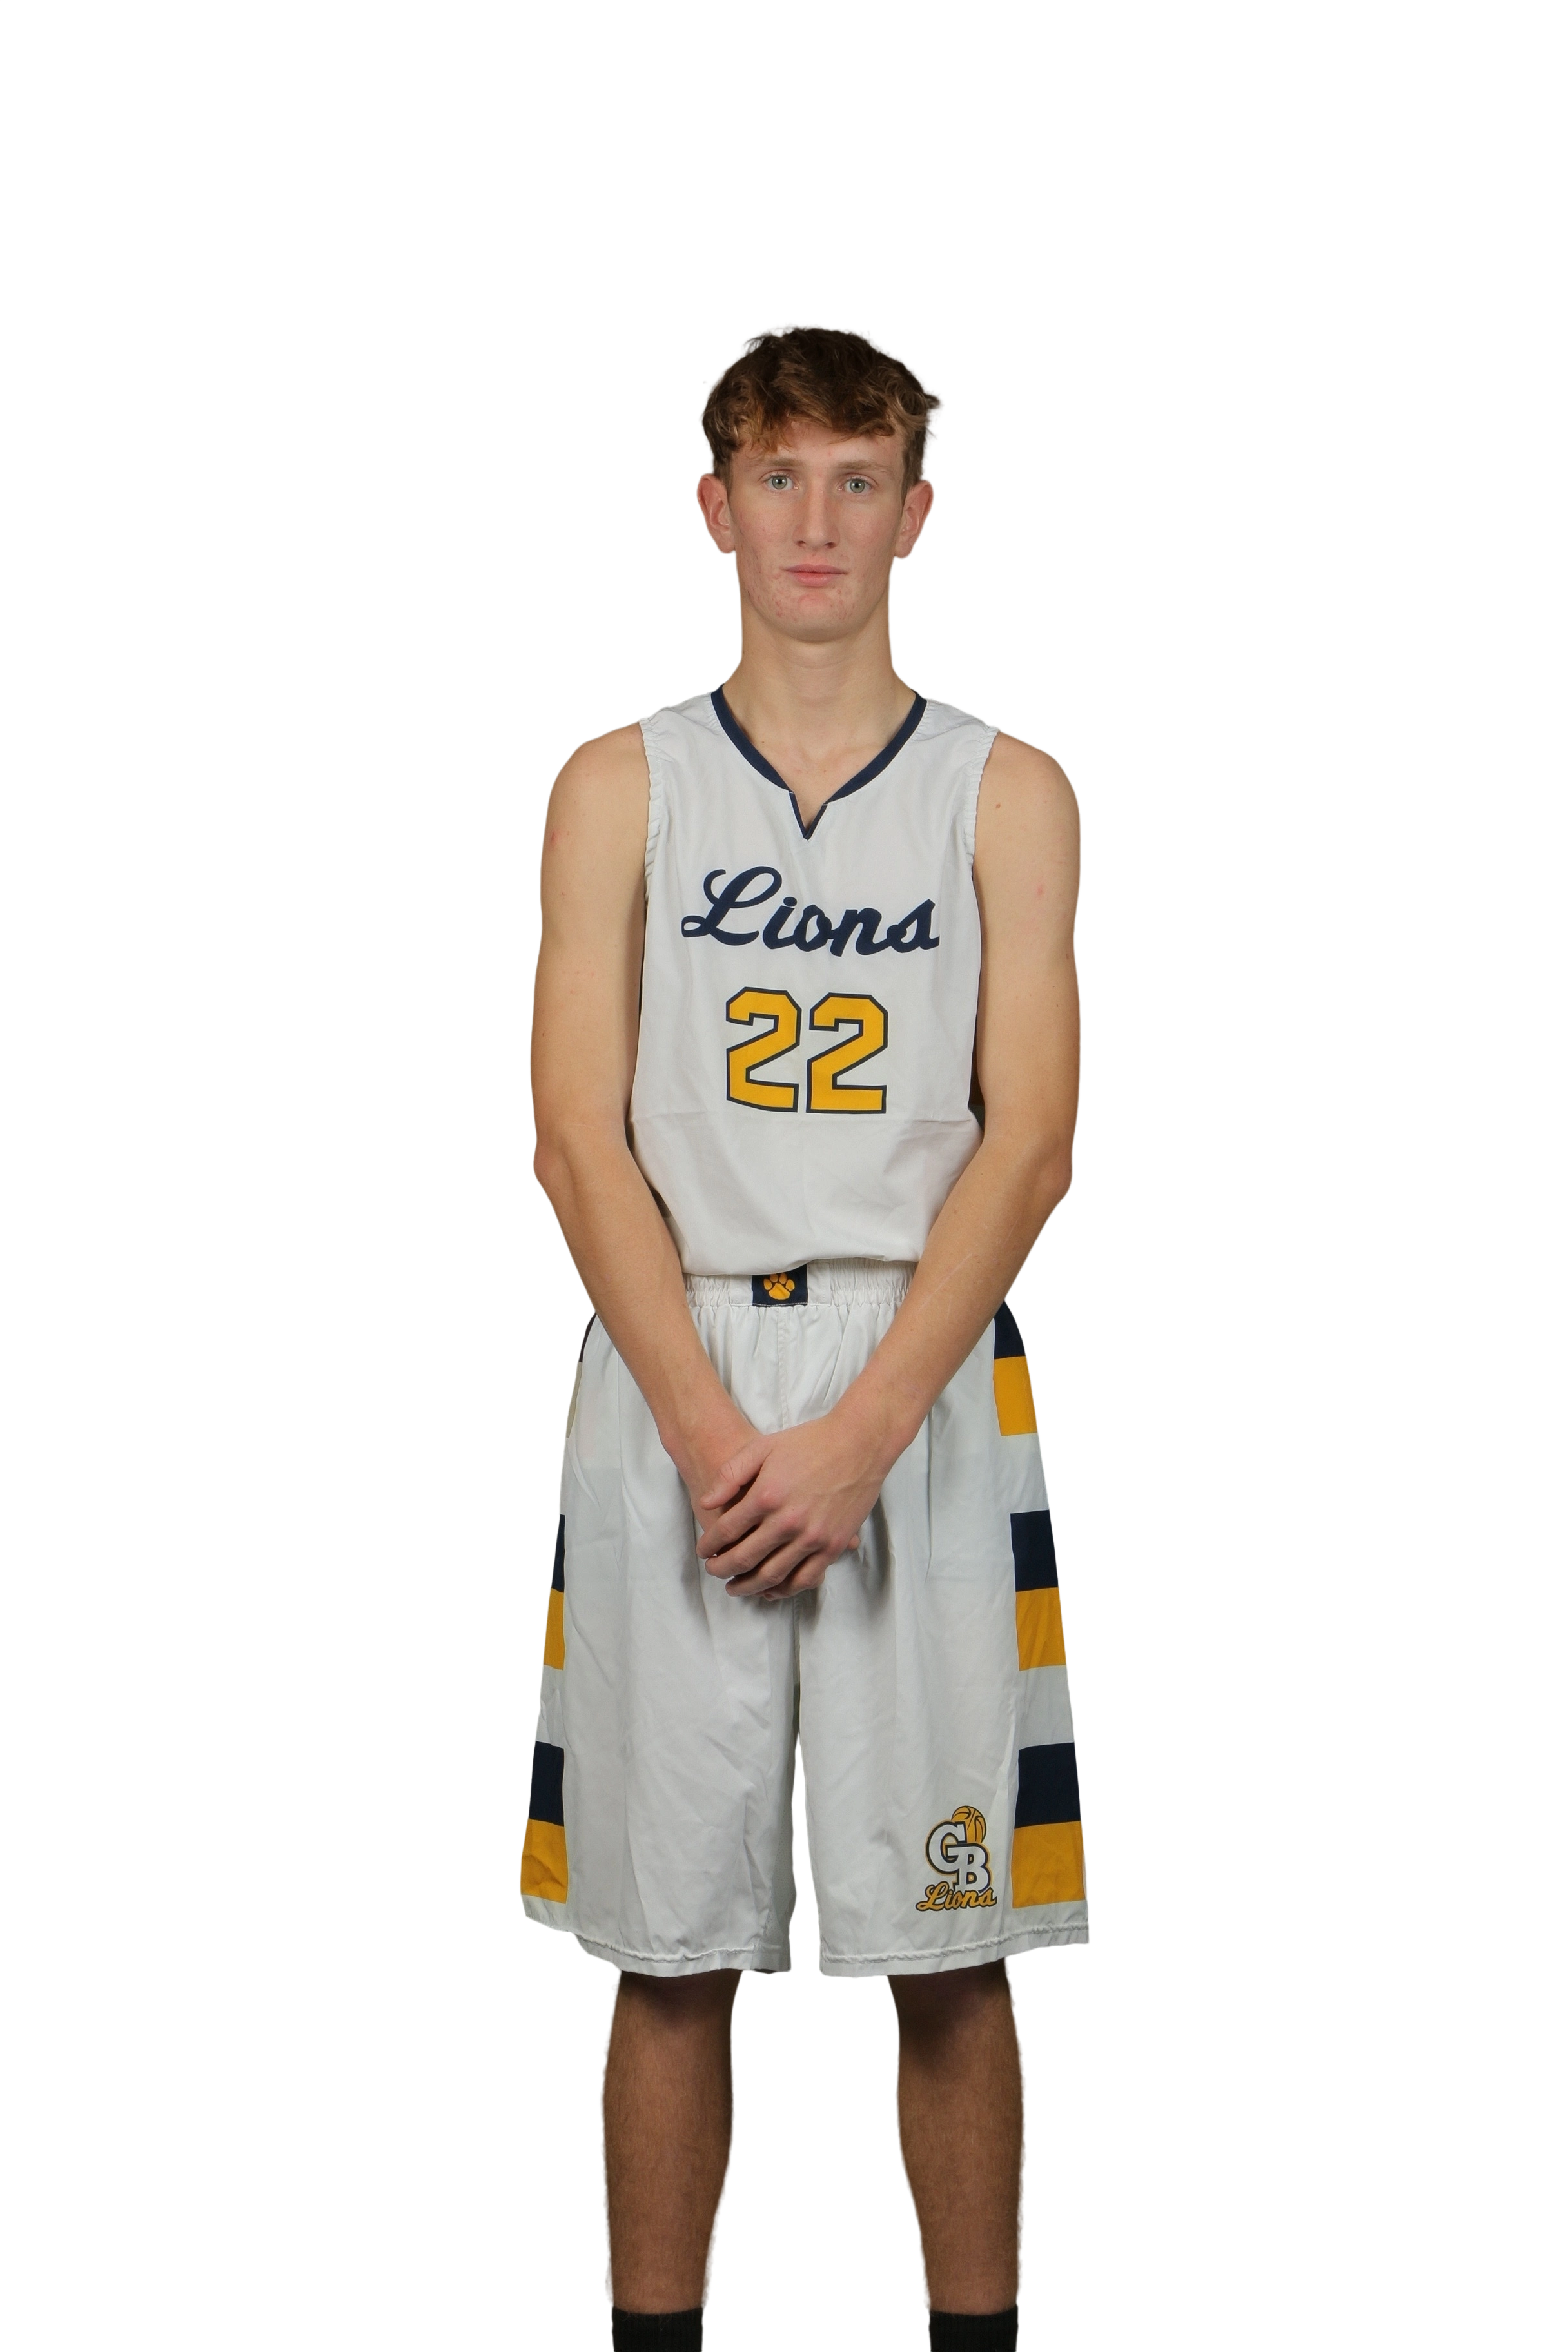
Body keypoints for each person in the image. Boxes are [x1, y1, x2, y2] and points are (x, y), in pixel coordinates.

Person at [519, 319, 1090, 2352]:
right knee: (665, 1944)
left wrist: (857, 1436)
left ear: (920, 513)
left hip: (917, 1381)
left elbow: (1034, 1141)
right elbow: (575, 1139)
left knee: (954, 1935)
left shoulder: (1008, 791)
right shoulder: (621, 782)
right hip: (675, 1369)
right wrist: (706, 1430)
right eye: (780, 476)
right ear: (715, 509)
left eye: (860, 479)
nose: (818, 519)